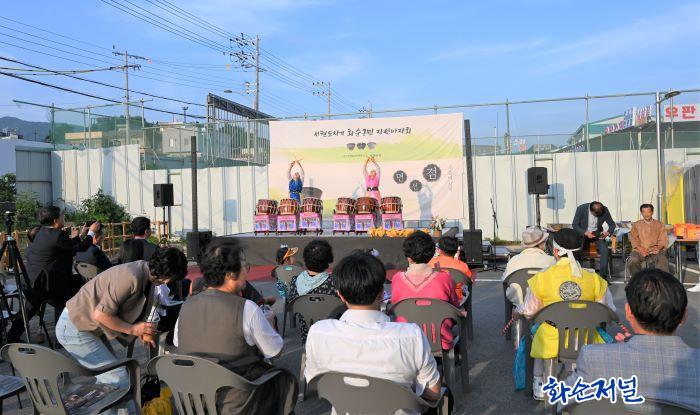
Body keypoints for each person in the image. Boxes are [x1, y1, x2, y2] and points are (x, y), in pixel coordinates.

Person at [305, 252, 443, 414]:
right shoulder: (412, 335)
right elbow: (434, 393)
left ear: (340, 296)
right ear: (382, 293)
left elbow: (315, 381)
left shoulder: (319, 332)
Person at [55, 247, 187, 413]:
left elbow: (138, 309)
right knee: (118, 379)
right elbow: (101, 315)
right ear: (162, 271)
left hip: (87, 327)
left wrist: (142, 330)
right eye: (168, 278)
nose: (167, 282)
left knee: (111, 379)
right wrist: (133, 329)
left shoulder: (147, 274)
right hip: (75, 327)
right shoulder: (131, 276)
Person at [175, 241, 294, 414]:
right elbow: (275, 351)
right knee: (281, 381)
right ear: (230, 274)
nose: (247, 270)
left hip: (193, 399)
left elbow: (178, 343)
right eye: (245, 265)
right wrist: (270, 325)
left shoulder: (186, 306)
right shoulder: (247, 308)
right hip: (236, 402)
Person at [564, 269, 698, 413]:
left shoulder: (593, 357)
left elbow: (560, 400)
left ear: (628, 312)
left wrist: (623, 348)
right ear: (684, 316)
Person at [516, 228, 615, 401]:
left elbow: (530, 312)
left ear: (555, 251)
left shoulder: (541, 278)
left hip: (552, 340)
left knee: (538, 332)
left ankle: (539, 383)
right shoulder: (594, 279)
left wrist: (518, 310)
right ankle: (579, 380)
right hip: (587, 339)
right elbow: (608, 311)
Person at [7, 207, 100, 342]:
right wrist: (91, 232)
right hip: (48, 283)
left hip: (32, 280)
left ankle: (11, 337)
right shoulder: (58, 235)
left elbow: (67, 246)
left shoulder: (42, 232)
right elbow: (79, 248)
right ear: (56, 220)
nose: (64, 218)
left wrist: (81, 236)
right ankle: (66, 336)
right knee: (73, 296)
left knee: (30, 310)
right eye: (62, 215)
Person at [392, 230, 460, 350]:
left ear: (408, 257)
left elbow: (394, 306)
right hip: (439, 340)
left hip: (404, 341)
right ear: (432, 253)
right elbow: (455, 306)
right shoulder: (444, 278)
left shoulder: (397, 279)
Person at [288, 239, 336, 341]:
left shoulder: (295, 282)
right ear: (328, 260)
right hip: (332, 337)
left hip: (308, 337)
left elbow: (292, 305)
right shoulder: (335, 283)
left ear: (305, 259)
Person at [572, 201, 616, 279]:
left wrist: (608, 232)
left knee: (604, 250)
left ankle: (603, 277)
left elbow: (612, 224)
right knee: (577, 250)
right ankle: (577, 274)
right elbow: (575, 225)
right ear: (590, 210)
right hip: (583, 234)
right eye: (596, 215)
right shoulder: (581, 209)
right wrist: (585, 233)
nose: (598, 216)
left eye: (599, 215)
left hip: (597, 234)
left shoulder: (605, 210)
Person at [628, 203, 669, 275]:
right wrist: (640, 249)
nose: (646, 214)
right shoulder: (636, 224)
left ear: (652, 212)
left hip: (655, 250)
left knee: (662, 260)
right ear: (641, 213)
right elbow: (634, 239)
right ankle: (637, 279)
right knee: (633, 261)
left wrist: (658, 248)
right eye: (644, 212)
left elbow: (663, 239)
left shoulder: (660, 224)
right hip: (639, 250)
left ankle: (660, 280)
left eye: (648, 212)